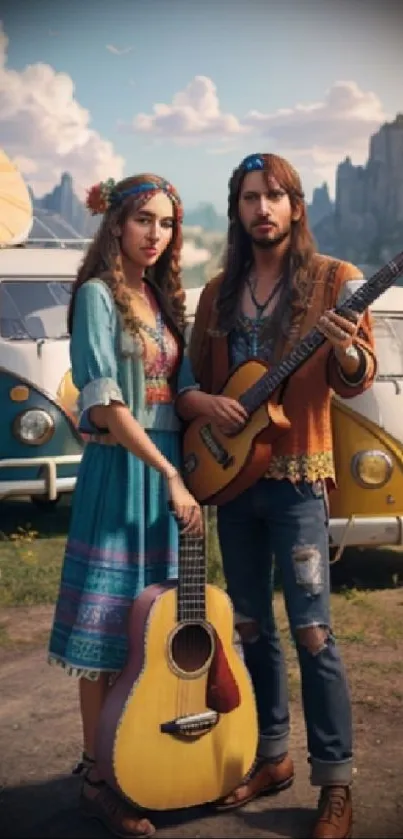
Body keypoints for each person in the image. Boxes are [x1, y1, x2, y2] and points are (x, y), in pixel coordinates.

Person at [176, 153, 377, 839]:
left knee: (312, 629)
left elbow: (354, 377)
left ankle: (335, 781)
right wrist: (204, 405)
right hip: (231, 485)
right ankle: (271, 756)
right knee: (251, 627)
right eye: (248, 197)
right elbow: (196, 385)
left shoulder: (336, 281)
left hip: (297, 482)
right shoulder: (215, 294)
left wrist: (346, 349)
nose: (261, 208)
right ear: (235, 210)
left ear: (295, 205)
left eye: (274, 196)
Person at [48, 173, 202, 839]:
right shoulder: (97, 297)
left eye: (165, 223)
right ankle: (95, 775)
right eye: (143, 219)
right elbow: (106, 404)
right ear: (114, 222)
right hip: (125, 476)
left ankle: (140, 758)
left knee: (157, 635)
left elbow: (185, 389)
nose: (155, 233)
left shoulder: (162, 301)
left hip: (170, 486)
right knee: (110, 635)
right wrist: (169, 470)